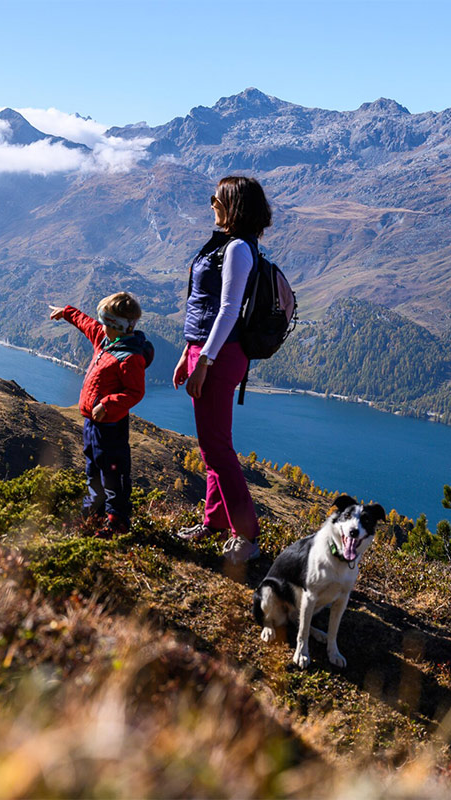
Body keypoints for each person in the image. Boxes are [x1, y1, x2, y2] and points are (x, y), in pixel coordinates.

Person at [173, 175, 272, 565]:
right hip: (207, 350)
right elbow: (205, 307)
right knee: (211, 446)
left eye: (217, 198)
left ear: (232, 205)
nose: (211, 203)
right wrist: (189, 351)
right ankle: (214, 522)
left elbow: (229, 310)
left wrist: (206, 360)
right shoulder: (226, 246)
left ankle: (247, 536)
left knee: (218, 448)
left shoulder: (237, 251)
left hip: (221, 355)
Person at [49, 292, 154, 536]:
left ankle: (117, 519)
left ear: (120, 326)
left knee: (113, 471)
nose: (102, 327)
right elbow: (88, 324)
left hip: (111, 426)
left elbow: (135, 392)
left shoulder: (130, 357)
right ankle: (93, 513)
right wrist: (67, 312)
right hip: (92, 424)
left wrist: (107, 405)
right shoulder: (105, 339)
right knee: (93, 467)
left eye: (107, 323)